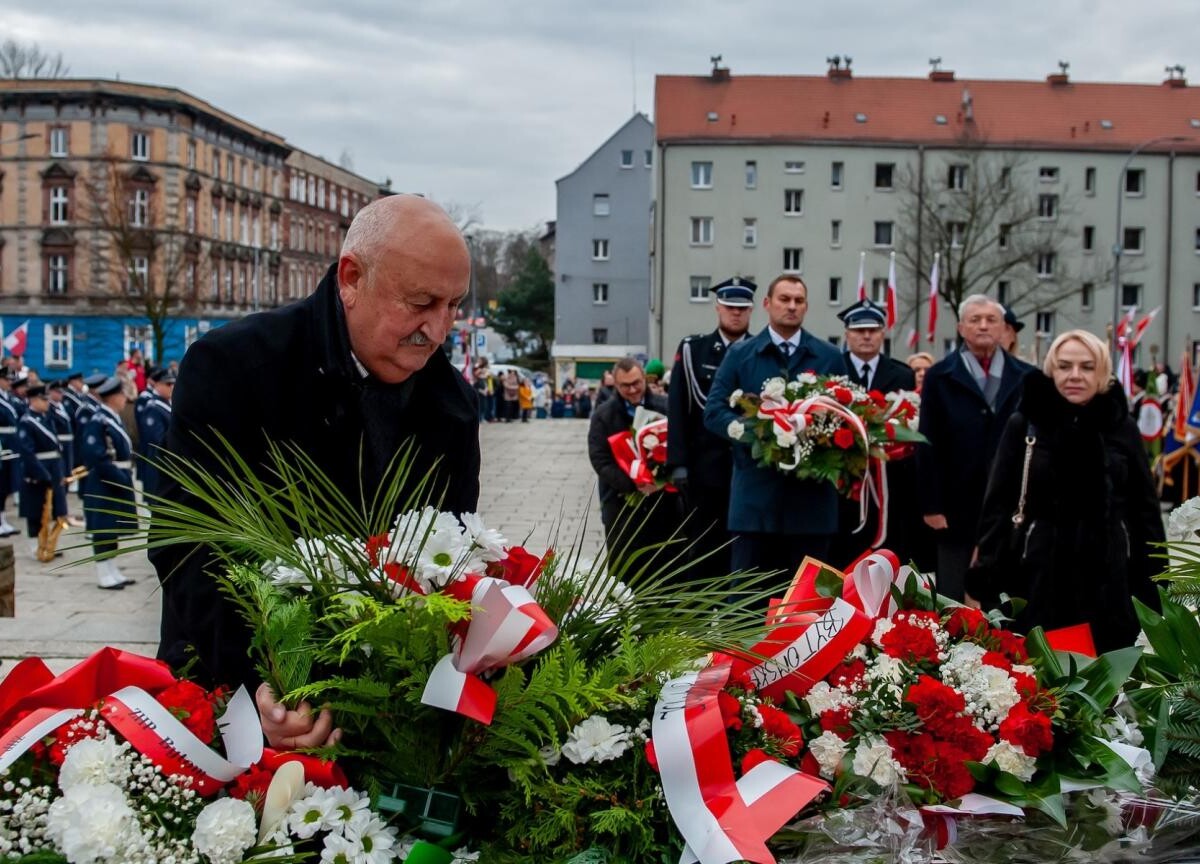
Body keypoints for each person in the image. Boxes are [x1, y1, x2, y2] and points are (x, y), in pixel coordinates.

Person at [150, 194, 478, 750]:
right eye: (422, 302)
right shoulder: (235, 367)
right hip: (232, 696)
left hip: (387, 711)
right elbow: (186, 546)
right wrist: (263, 681)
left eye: (453, 305)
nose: (439, 328)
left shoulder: (452, 403)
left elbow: (452, 551)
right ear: (352, 278)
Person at [968, 330, 1163, 652]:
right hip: (1036, 572)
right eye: (1064, 366)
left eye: (1086, 367)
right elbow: (998, 505)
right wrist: (987, 571)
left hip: (1110, 577)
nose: (1075, 376)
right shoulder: (1026, 423)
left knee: (1105, 679)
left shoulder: (1121, 426)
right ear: (1050, 370)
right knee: (1040, 679)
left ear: (1102, 373)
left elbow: (1145, 510)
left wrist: (1154, 580)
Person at [704, 274, 844, 577]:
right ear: (767, 304)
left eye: (799, 301)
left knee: (809, 608)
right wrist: (761, 432)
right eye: (784, 299)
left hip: (812, 505)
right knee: (746, 608)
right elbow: (713, 411)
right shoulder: (741, 355)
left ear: (807, 307)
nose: (791, 306)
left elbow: (846, 418)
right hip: (755, 501)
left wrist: (816, 432)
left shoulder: (830, 358)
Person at [917, 295, 1035, 600]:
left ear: (1003, 327)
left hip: (1009, 504)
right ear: (960, 327)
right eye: (975, 319)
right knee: (953, 596)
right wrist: (931, 505)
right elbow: (927, 442)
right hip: (955, 504)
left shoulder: (1026, 377)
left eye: (991, 320)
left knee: (1005, 596)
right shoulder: (939, 376)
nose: (983, 326)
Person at [667, 276, 754, 583]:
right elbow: (677, 407)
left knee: (743, 546)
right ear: (718, 308)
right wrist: (677, 462)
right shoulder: (695, 350)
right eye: (730, 306)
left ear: (752, 311)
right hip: (703, 469)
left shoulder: (759, 351)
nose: (735, 313)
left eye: (742, 308)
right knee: (701, 546)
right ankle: (700, 620)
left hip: (746, 468)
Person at [829, 299, 918, 568]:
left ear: (883, 333)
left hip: (888, 484)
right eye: (859, 330)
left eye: (873, 330)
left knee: (886, 558)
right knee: (840, 556)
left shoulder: (902, 375)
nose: (866, 336)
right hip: (843, 485)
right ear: (847, 334)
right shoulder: (833, 369)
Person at [587, 358, 677, 565]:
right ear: (615, 385)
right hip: (621, 504)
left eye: (637, 382)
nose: (633, 389)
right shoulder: (603, 415)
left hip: (664, 503)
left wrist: (660, 480)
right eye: (625, 386)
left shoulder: (667, 407)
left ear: (644, 379)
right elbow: (600, 459)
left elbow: (681, 446)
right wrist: (634, 484)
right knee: (624, 568)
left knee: (666, 566)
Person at [80, 376, 137, 590]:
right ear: (113, 397)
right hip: (105, 481)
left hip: (116, 478)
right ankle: (104, 573)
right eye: (122, 394)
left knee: (112, 528)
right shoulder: (98, 420)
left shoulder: (112, 417)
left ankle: (112, 569)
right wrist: (120, 478)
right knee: (103, 528)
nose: (125, 399)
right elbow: (96, 455)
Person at [15, 385, 66, 560]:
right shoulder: (26, 422)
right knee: (35, 511)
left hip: (53, 467)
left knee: (53, 509)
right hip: (37, 471)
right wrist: (43, 474)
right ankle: (35, 547)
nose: (47, 403)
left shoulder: (47, 418)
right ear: (34, 400)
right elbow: (27, 453)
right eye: (44, 400)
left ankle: (48, 544)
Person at [136, 368, 175, 501]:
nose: (172, 387)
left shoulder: (166, 404)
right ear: (157, 385)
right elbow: (157, 441)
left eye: (173, 383)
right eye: (168, 384)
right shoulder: (153, 408)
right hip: (158, 464)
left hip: (166, 464)